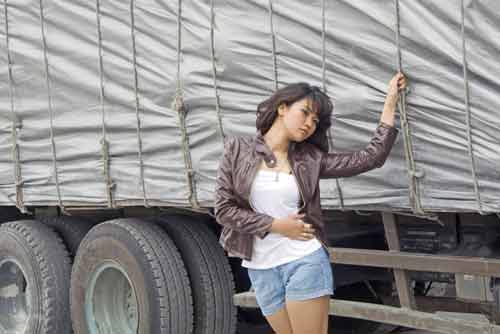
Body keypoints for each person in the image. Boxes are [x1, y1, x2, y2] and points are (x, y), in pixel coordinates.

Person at [215, 72, 406, 334]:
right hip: (260, 269)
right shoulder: (237, 149)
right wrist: (275, 225)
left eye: (315, 120)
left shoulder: (310, 159)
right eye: (304, 113)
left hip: (303, 260)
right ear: (282, 108)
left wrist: (390, 101)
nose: (309, 124)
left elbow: (370, 158)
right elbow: (224, 210)